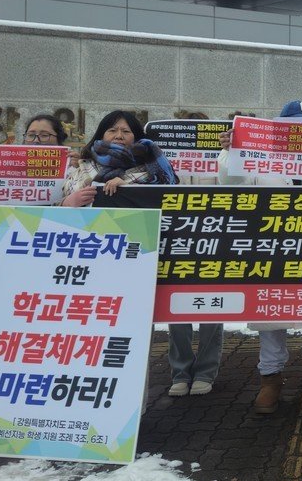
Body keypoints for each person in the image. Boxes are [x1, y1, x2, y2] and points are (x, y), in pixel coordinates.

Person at [61, 111, 220, 397]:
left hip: (172, 246)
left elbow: (167, 189)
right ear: (101, 133)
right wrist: (69, 202)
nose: (119, 136)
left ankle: (202, 372)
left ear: (137, 136)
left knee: (201, 306)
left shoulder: (153, 166)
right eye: (112, 130)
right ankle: (164, 376)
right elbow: (62, 204)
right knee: (113, 320)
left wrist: (131, 186)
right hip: (99, 257)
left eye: (125, 131)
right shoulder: (82, 165)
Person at [218, 100, 302, 414]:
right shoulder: (259, 153)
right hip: (269, 245)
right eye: (292, 126)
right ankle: (270, 377)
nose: (298, 131)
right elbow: (231, 185)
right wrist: (231, 152)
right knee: (268, 312)